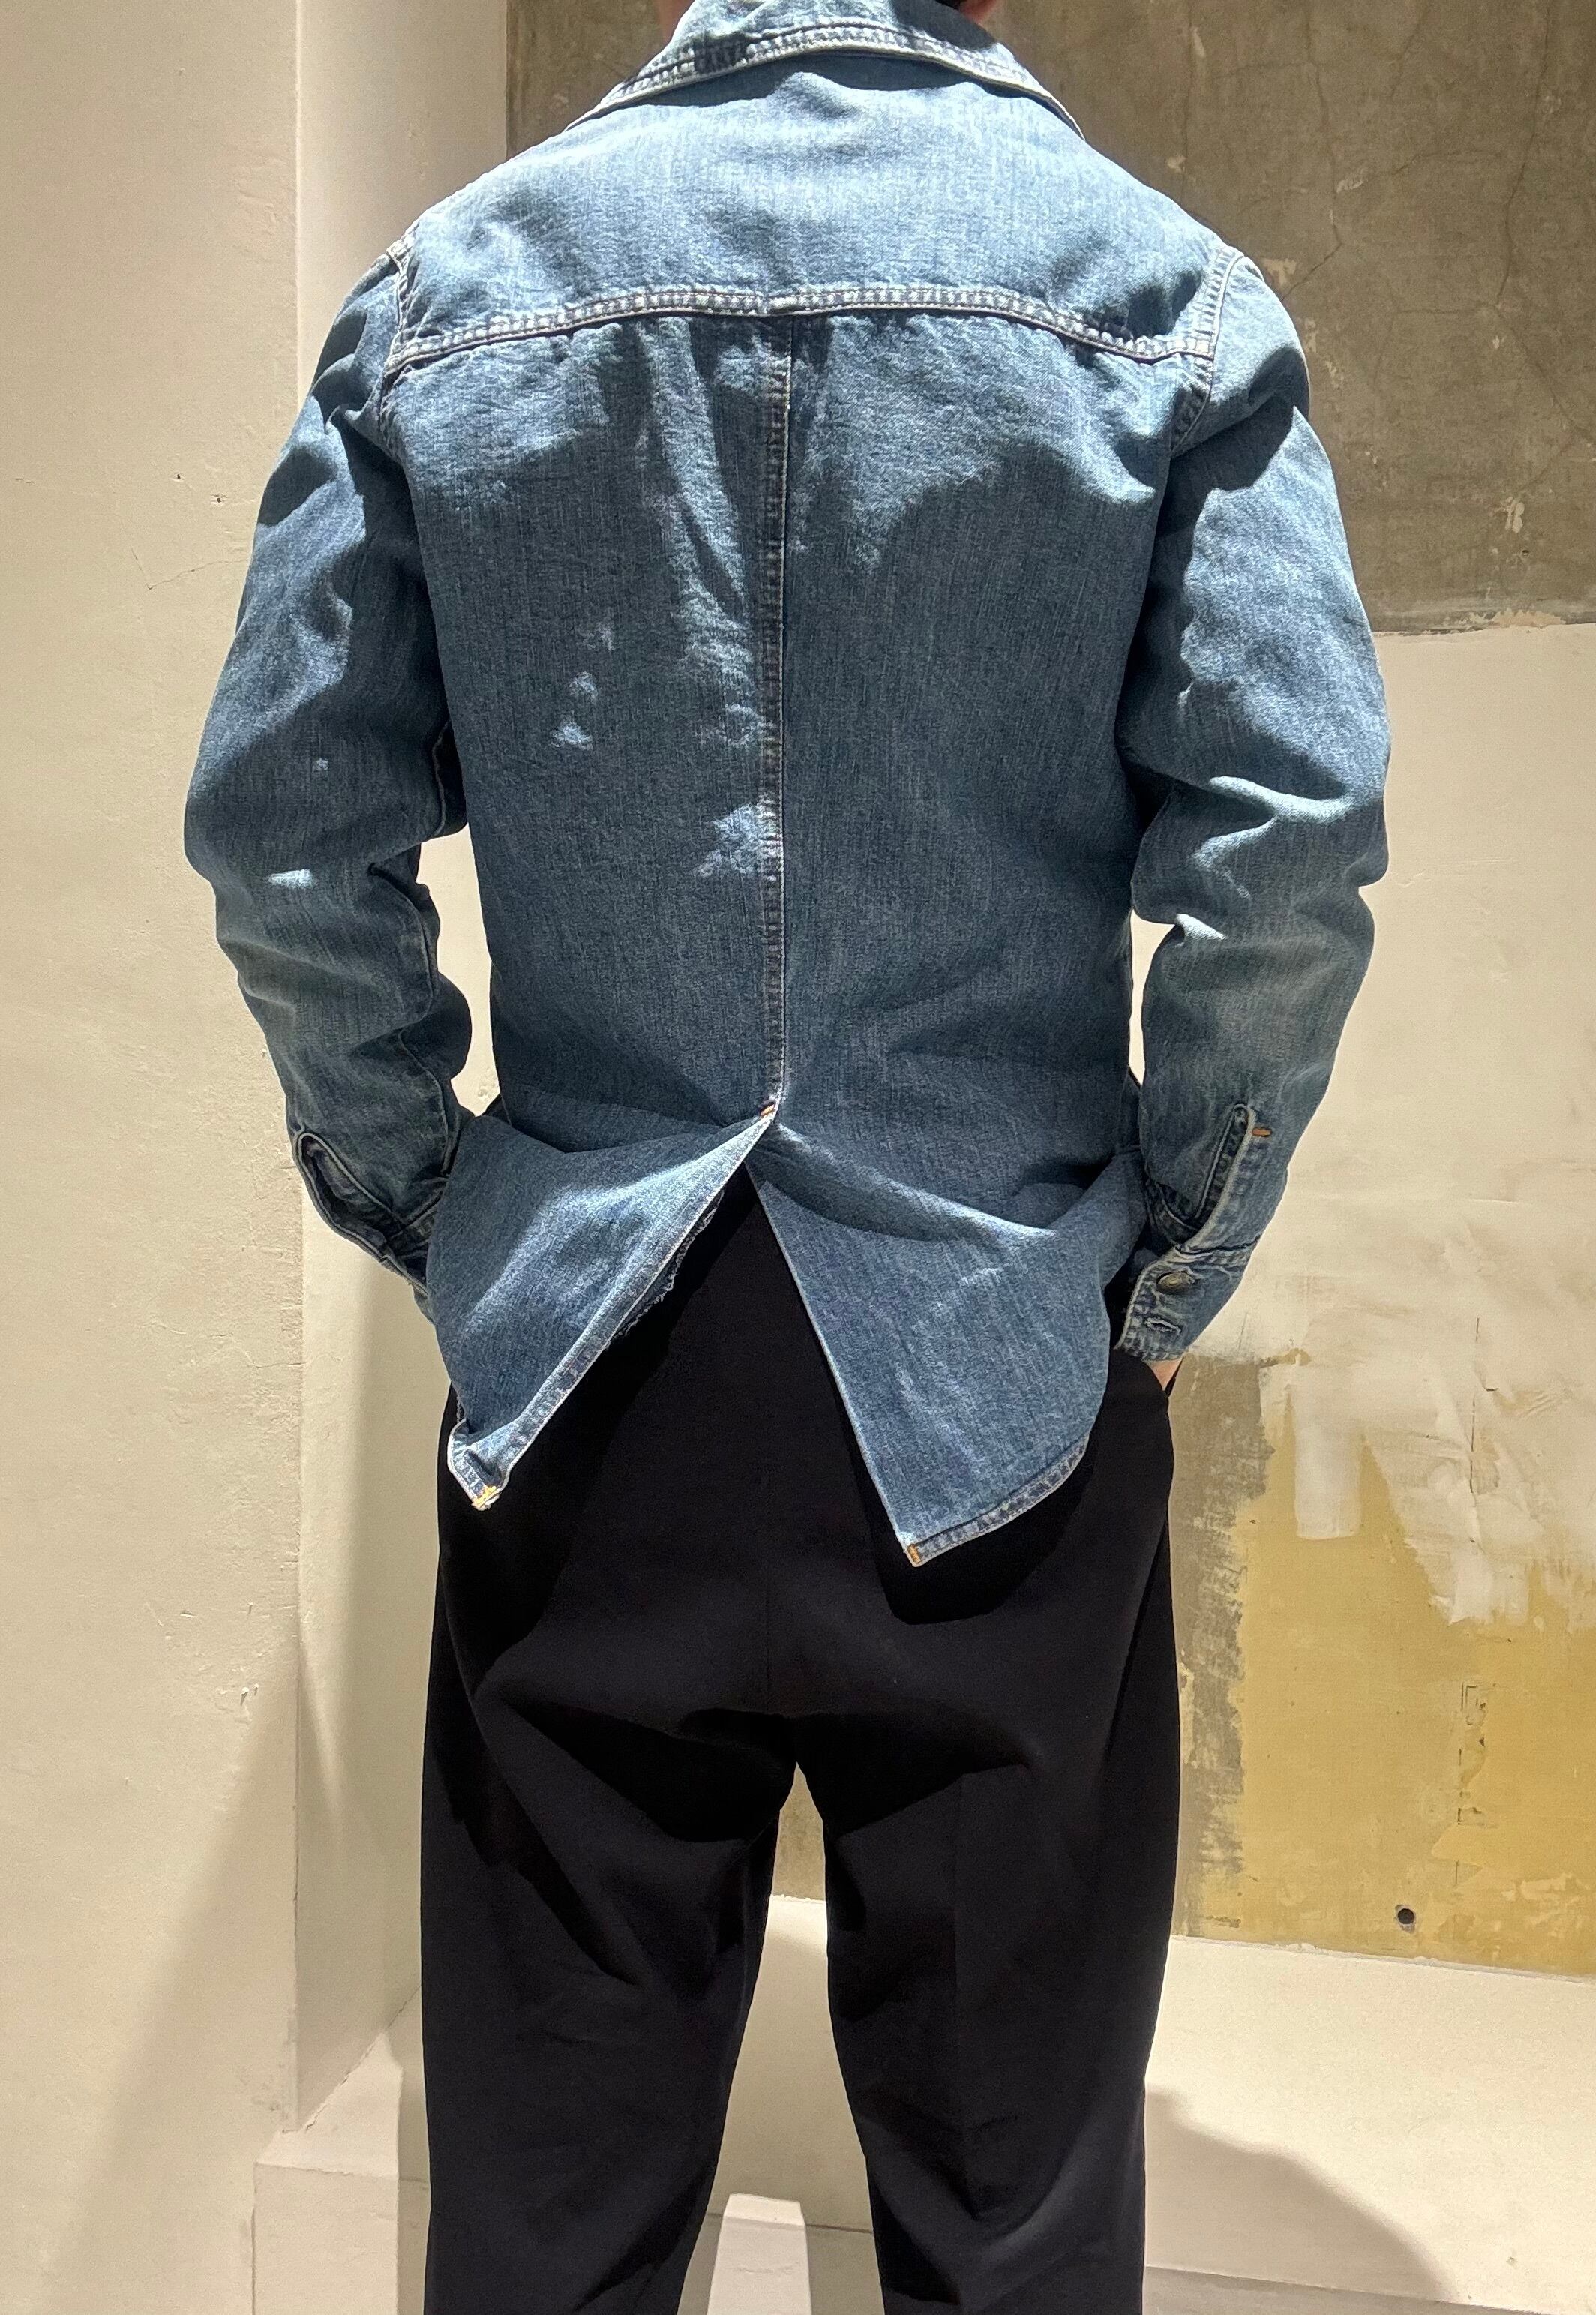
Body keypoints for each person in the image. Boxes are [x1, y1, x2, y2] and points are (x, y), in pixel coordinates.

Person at [182, 0, 1390, 2307]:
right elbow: (1294, 845)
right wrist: (1174, 1255)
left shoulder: (449, 296)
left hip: (597, 1387)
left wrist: (436, 1201)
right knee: (1012, 2228)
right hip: (1002, 1371)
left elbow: (279, 836)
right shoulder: (1164, 298)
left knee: (549, 2229)